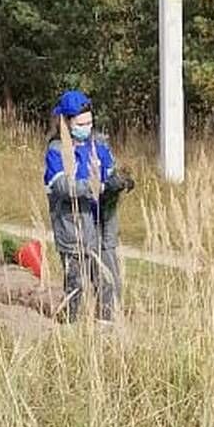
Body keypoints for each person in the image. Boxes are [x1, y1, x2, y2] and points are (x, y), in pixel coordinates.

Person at [44, 90, 133, 321]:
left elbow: (109, 173)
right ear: (66, 122)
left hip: (102, 229)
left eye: (90, 122)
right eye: (81, 123)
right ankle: (67, 328)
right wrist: (96, 187)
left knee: (108, 284)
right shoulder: (56, 151)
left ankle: (106, 330)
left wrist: (118, 183)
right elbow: (63, 186)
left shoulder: (100, 145)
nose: (87, 127)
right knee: (76, 286)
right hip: (74, 232)